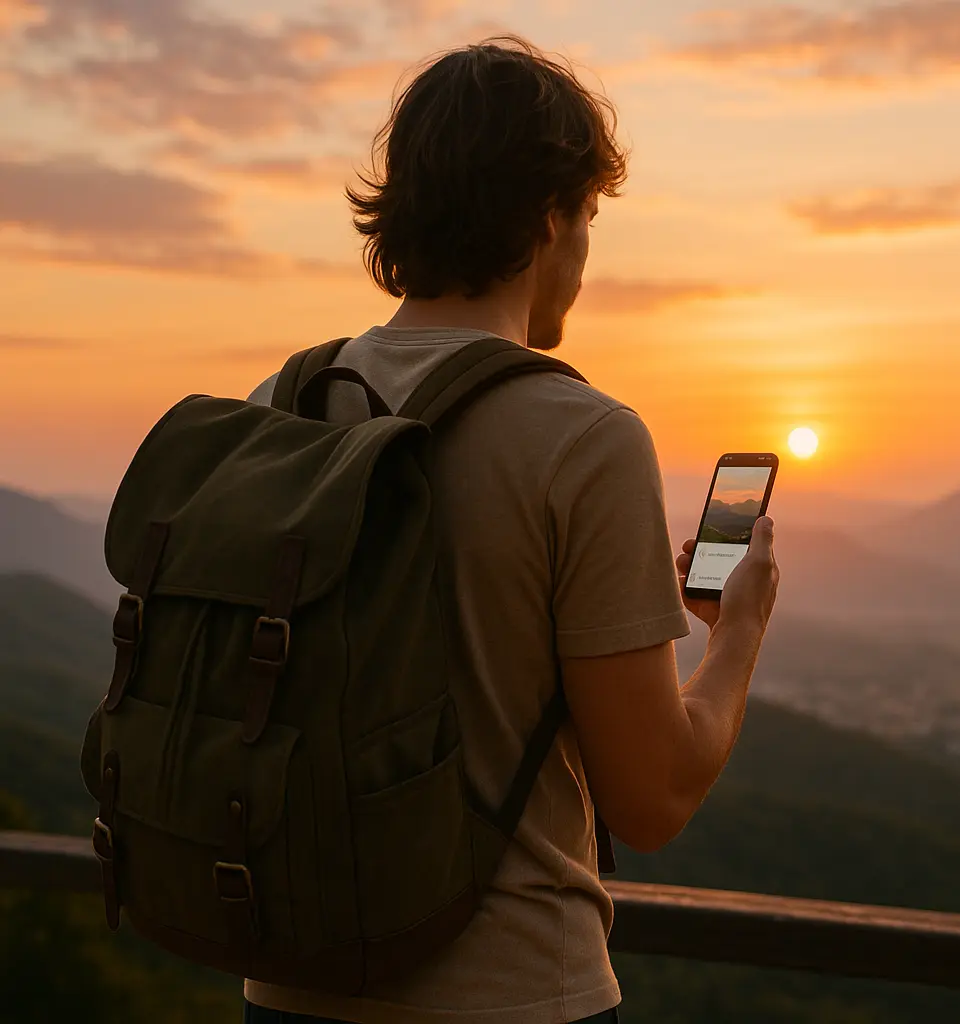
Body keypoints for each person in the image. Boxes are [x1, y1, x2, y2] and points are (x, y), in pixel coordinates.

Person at [241, 36, 779, 1024]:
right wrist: (737, 634)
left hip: (290, 985)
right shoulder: (586, 438)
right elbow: (652, 798)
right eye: (588, 218)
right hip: (513, 994)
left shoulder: (284, 400)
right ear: (547, 218)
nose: (584, 254)